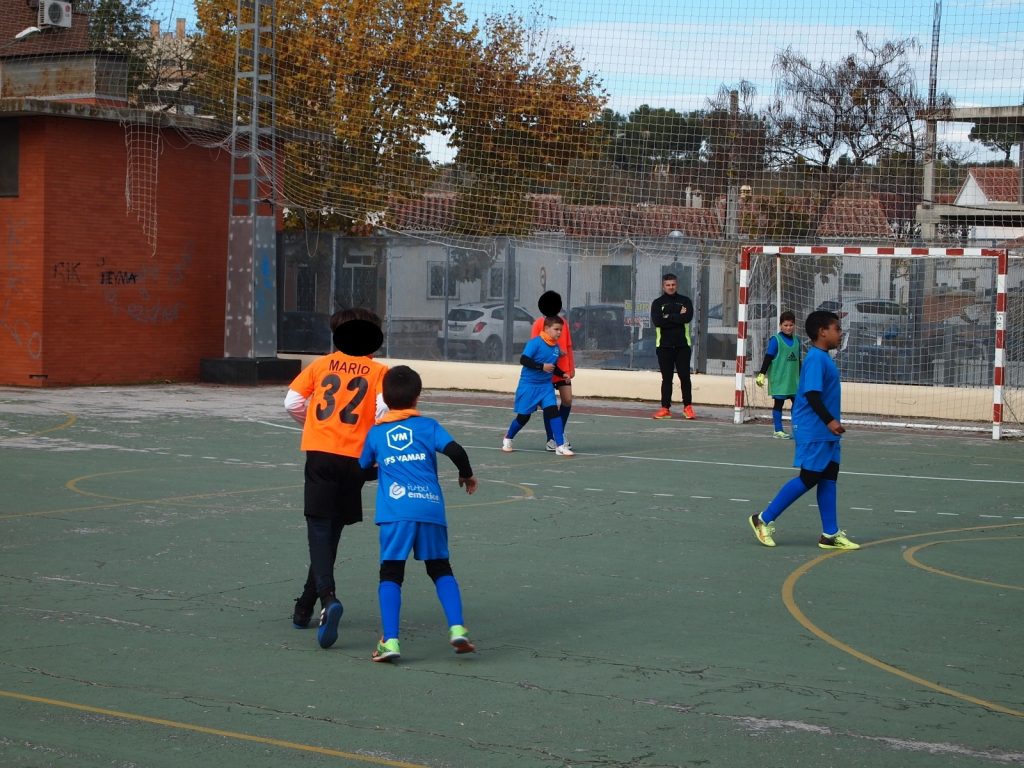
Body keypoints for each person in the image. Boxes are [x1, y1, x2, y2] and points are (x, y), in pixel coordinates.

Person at [284, 308, 389, 649]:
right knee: (331, 531)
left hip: (321, 453)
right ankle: (304, 606)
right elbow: (383, 412)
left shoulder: (320, 365)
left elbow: (293, 401)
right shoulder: (379, 372)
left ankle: (327, 599)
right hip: (355, 459)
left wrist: (313, 426)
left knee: (318, 528)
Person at [359, 365, 478, 662]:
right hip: (429, 507)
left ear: (384, 397)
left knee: (391, 572)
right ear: (418, 396)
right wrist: (466, 474)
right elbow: (457, 451)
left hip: (396, 511)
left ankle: (391, 642)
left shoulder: (376, 434)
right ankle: (457, 628)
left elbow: (362, 470)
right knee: (440, 568)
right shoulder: (428, 426)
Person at [748, 310, 860, 551]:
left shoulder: (823, 357)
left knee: (829, 477)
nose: (840, 334)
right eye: (837, 329)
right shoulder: (816, 359)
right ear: (823, 332)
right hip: (814, 429)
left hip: (825, 432)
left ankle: (830, 533)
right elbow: (811, 393)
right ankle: (763, 519)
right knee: (808, 478)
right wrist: (830, 421)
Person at [501, 315, 573, 456]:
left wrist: (562, 373)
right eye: (556, 329)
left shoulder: (556, 348)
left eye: (561, 330)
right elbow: (523, 360)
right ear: (546, 329)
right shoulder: (535, 343)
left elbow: (552, 366)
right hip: (529, 386)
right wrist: (541, 366)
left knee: (553, 412)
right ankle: (508, 437)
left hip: (545, 387)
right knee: (523, 417)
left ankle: (560, 445)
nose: (559, 332)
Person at [530, 291, 575, 451]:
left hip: (562, 369)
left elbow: (568, 346)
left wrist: (571, 368)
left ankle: (559, 434)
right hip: (546, 370)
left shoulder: (563, 323)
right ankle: (552, 439)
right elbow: (534, 348)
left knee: (567, 400)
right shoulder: (538, 324)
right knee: (549, 405)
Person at [651, 273, 696, 420]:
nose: (671, 287)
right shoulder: (657, 303)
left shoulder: (685, 301)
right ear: (663, 286)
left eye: (673, 285)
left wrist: (668, 316)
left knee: (684, 377)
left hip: (683, 346)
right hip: (664, 347)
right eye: (668, 285)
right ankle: (665, 408)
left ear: (677, 285)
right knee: (667, 378)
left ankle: (688, 407)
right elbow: (658, 321)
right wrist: (677, 316)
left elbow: (687, 318)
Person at [755, 310, 801, 439]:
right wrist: (762, 374)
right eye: (785, 325)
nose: (788, 328)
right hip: (780, 379)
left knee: (797, 405)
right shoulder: (776, 340)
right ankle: (778, 430)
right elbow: (768, 357)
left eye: (791, 325)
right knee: (779, 404)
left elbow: (799, 361)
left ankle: (796, 429)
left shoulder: (797, 341)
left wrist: (802, 377)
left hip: (794, 380)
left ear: (794, 325)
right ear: (781, 325)